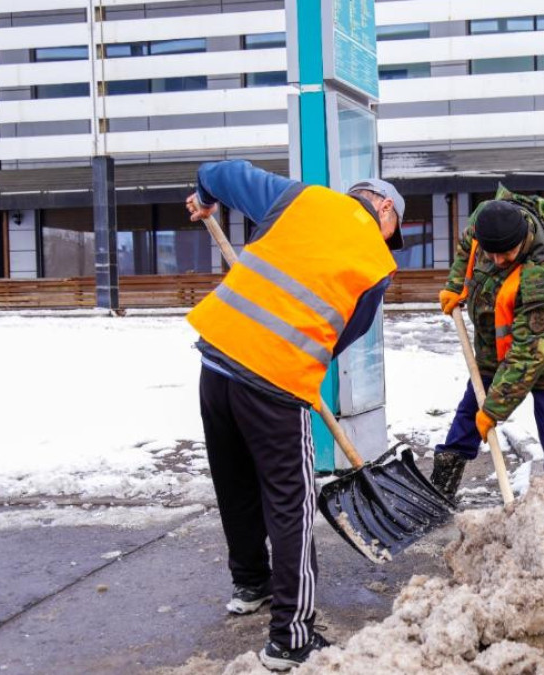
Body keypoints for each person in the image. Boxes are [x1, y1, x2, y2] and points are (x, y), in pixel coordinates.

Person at [184, 160, 404, 671]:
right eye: (392, 234)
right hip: (275, 382)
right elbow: (341, 337)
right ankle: (291, 636)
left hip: (216, 359)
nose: (389, 243)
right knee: (291, 502)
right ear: (386, 209)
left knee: (234, 481)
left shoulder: (300, 198)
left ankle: (251, 584)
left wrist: (204, 196)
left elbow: (218, 171)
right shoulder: (377, 264)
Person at [430, 186, 544, 499]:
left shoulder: (542, 277)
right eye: (491, 254)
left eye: (506, 254)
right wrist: (455, 285)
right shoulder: (486, 218)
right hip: (493, 334)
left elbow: (528, 354)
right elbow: (465, 247)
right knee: (471, 408)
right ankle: (440, 488)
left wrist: (495, 410)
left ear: (523, 240)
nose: (497, 260)